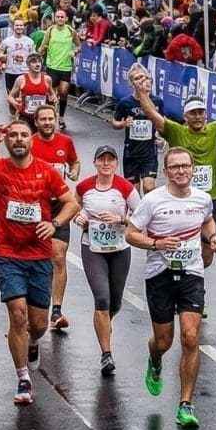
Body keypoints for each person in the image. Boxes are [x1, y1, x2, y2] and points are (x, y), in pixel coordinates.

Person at [0, 120, 79, 407]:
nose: (19, 139)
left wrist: (54, 222)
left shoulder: (46, 171)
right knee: (17, 315)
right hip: (9, 254)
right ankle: (23, 378)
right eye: (13, 136)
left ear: (31, 140)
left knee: (37, 324)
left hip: (39, 254)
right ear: (7, 141)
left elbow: (71, 203)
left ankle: (33, 343)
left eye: (24, 135)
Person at [128, 146, 216, 430]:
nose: (181, 171)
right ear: (166, 171)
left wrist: (214, 237)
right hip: (160, 275)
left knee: (191, 337)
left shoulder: (203, 199)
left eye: (186, 166)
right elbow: (130, 233)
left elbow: (206, 221)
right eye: (175, 167)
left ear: (193, 169)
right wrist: (156, 244)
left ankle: (185, 405)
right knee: (164, 341)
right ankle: (155, 359)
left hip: (192, 273)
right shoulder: (153, 200)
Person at [133, 67, 216, 223]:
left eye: (201, 112)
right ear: (185, 116)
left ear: (206, 114)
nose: (197, 117)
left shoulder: (215, 129)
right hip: (182, 196)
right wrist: (141, 93)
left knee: (210, 241)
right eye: (193, 113)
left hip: (210, 196)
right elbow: (153, 115)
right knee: (186, 239)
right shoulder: (176, 131)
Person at [74, 144, 142, 376]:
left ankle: (103, 323)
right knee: (101, 298)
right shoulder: (84, 187)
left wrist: (121, 219)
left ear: (116, 163)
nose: (105, 164)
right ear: (95, 163)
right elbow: (75, 209)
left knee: (115, 303)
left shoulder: (125, 187)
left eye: (110, 160)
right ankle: (106, 354)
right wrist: (79, 219)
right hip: (92, 248)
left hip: (120, 249)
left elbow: (142, 216)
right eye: (101, 159)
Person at [28, 105, 79, 333]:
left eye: (51, 119)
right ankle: (34, 306)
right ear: (36, 122)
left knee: (58, 256)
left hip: (59, 205)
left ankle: (56, 310)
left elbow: (74, 162)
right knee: (33, 258)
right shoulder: (29, 142)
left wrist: (75, 171)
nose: (48, 122)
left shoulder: (65, 142)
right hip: (34, 206)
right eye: (44, 119)